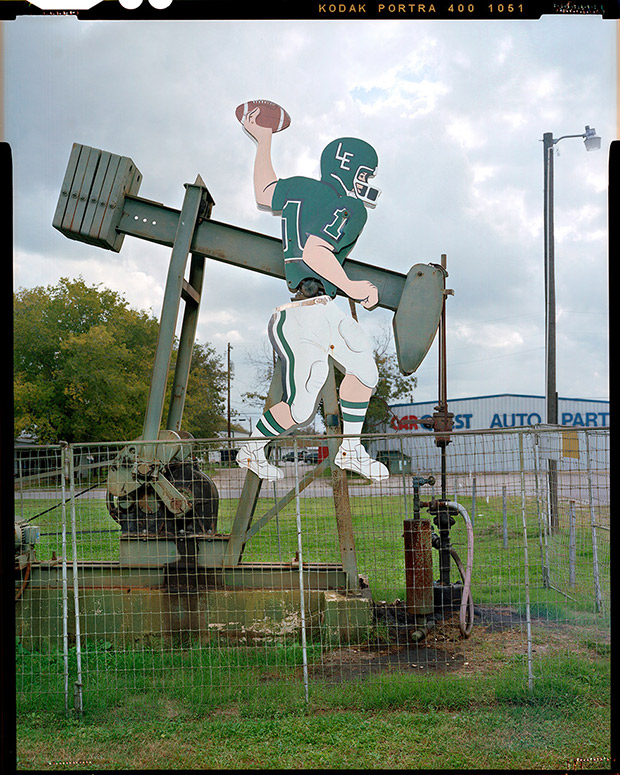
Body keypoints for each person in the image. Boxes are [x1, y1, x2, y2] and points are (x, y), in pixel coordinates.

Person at [236, 106, 389, 484]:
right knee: (301, 406)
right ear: (350, 169)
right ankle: (252, 448)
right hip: (306, 313)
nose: (367, 181)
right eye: (364, 173)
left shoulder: (302, 187)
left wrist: (264, 141)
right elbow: (315, 251)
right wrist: (354, 286)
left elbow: (264, 190)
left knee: (364, 370)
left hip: (317, 308)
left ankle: (351, 449)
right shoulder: (351, 207)